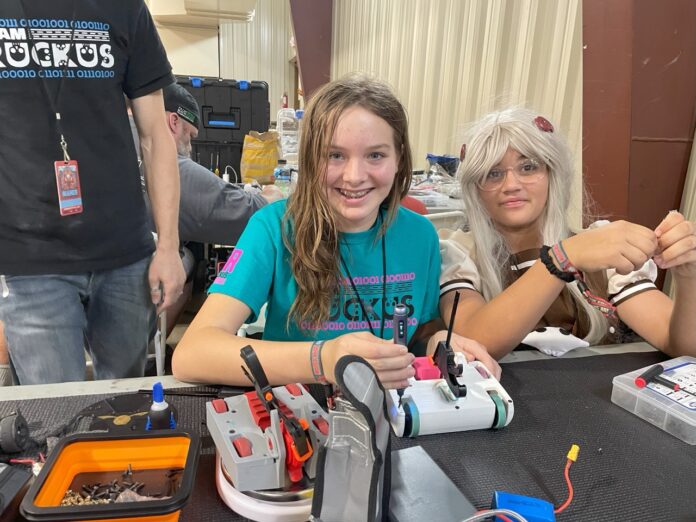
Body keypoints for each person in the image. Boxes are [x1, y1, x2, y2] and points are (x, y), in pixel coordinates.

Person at [172, 75, 498, 388]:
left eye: (375, 155)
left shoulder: (420, 236)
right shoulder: (273, 228)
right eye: (335, 155)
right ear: (312, 159)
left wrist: (438, 341)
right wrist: (324, 359)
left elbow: (417, 330)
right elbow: (192, 354)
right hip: (302, 408)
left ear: (400, 158)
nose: (354, 176)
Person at [0, 1, 185, 384]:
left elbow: (156, 136)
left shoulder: (125, 7)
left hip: (125, 255)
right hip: (30, 264)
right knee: (55, 418)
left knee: (126, 403)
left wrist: (168, 246)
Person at [437, 107, 696, 359]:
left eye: (528, 167)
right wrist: (562, 259)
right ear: (475, 189)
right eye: (492, 173)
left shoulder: (599, 248)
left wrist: (689, 277)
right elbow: (473, 342)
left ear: (553, 174)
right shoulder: (459, 253)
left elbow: (683, 346)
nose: (511, 185)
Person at [161, 83, 283, 245]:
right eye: (189, 136)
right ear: (174, 122)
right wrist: (273, 193)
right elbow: (254, 215)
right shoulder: (167, 166)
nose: (190, 147)